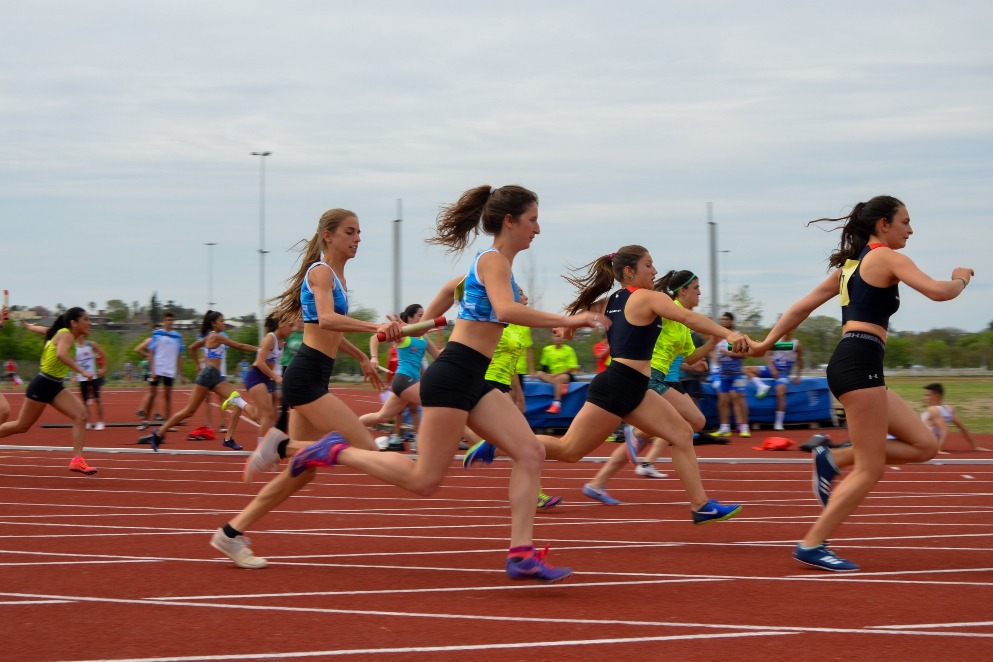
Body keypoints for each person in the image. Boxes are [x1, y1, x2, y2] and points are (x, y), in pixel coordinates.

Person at [268, 186, 602, 582]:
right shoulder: (493, 261)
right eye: (532, 220)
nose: (538, 229)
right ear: (510, 222)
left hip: (473, 374)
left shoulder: (498, 267)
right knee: (423, 480)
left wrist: (429, 322)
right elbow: (507, 310)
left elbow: (459, 295)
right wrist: (570, 320)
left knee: (530, 452)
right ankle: (330, 451)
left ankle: (521, 554)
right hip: (455, 374)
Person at [752, 195, 974, 572]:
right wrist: (961, 278)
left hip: (855, 363)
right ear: (883, 224)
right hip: (859, 364)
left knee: (924, 445)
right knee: (870, 469)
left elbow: (801, 307)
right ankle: (812, 543)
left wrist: (765, 344)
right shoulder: (886, 257)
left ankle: (833, 457)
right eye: (905, 221)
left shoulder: (852, 268)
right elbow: (939, 292)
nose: (911, 229)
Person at [466, 246, 749, 524]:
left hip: (632, 386)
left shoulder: (614, 299)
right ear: (629, 271)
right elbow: (688, 317)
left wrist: (569, 327)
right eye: (649, 265)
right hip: (619, 385)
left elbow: (589, 314)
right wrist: (728, 333)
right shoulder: (646, 298)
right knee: (569, 449)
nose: (655, 270)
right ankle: (498, 445)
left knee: (682, 433)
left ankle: (701, 505)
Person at [212, 207, 402, 569]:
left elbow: (323, 328)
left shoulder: (337, 279)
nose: (357, 238)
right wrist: (375, 326)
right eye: (350, 232)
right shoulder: (320, 273)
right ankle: (280, 443)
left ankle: (231, 533)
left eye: (359, 232)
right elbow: (328, 318)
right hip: (306, 378)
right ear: (328, 236)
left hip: (314, 374)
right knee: (365, 449)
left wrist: (361, 356)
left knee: (302, 470)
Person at [583, 269, 722, 503]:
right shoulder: (668, 310)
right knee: (695, 422)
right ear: (683, 291)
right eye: (696, 288)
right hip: (651, 376)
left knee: (653, 436)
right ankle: (638, 435)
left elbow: (689, 356)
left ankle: (598, 482)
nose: (700, 293)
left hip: (666, 378)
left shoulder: (682, 325)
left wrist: (713, 343)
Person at [138, 311, 259, 451]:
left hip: (215, 376)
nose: (224, 323)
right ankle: (158, 433)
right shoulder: (216, 337)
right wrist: (260, 349)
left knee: (237, 398)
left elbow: (192, 348)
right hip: (208, 376)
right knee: (189, 411)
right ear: (213, 323)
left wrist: (197, 364)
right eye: (221, 320)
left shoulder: (210, 337)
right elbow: (240, 346)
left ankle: (228, 439)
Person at [0, 307, 98, 474]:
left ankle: (77, 460)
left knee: (81, 416)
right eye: (86, 319)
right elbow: (61, 354)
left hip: (55, 385)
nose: (89, 323)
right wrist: (81, 371)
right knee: (21, 426)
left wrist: (30, 327)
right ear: (74, 323)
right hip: (43, 384)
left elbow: (44, 330)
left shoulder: (59, 333)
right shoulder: (66, 335)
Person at [361, 303, 442, 449]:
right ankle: (426, 443)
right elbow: (375, 338)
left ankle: (344, 433)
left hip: (410, 382)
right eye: (420, 315)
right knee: (437, 404)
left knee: (381, 416)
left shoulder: (423, 336)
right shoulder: (403, 332)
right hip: (403, 379)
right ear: (410, 318)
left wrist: (458, 349)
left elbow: (437, 355)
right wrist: (374, 357)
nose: (423, 317)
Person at [242, 313, 294, 444]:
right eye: (290, 325)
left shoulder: (282, 342)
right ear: (281, 324)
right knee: (268, 414)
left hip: (266, 379)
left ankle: (238, 402)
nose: (292, 329)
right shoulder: (270, 339)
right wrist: (276, 377)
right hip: (256, 376)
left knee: (273, 415)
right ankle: (261, 449)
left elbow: (274, 361)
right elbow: (260, 362)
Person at [712, 312, 761, 438]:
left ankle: (745, 427)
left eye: (726, 320)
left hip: (737, 373)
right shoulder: (719, 336)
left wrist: (729, 354)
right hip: (723, 373)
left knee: (739, 399)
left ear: (732, 321)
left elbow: (745, 355)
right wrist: (715, 357)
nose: (723, 322)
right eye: (722, 320)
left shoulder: (738, 337)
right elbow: (712, 350)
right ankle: (724, 427)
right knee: (722, 400)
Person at [745, 330, 802, 430]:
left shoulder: (796, 344)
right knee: (746, 369)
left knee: (780, 391)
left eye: (789, 330)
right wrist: (773, 369)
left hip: (782, 373)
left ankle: (779, 422)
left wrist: (798, 375)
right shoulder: (776, 342)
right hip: (771, 369)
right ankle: (761, 386)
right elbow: (768, 355)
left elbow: (800, 361)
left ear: (792, 330)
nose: (786, 332)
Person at [140, 313, 184, 428]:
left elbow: (179, 356)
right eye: (168, 320)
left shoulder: (177, 337)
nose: (170, 322)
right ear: (164, 321)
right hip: (158, 368)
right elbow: (151, 352)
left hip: (169, 370)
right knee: (152, 394)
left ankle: (168, 423)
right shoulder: (157, 334)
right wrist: (152, 369)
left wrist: (182, 374)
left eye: (172, 320)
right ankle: (146, 421)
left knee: (168, 397)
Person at [921, 382, 989, 454]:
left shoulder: (933, 409)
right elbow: (963, 429)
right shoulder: (948, 409)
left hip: (924, 445)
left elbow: (945, 430)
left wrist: (938, 449)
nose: (925, 398)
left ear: (936, 396)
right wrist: (974, 446)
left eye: (928, 395)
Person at [535, 329, 579, 414]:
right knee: (539, 373)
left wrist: (555, 375)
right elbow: (544, 367)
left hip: (566, 375)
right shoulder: (547, 350)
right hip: (553, 376)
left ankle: (556, 403)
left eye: (561, 336)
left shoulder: (569, 350)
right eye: (557, 336)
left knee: (560, 378)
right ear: (552, 338)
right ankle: (560, 386)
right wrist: (547, 375)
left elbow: (572, 368)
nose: (559, 338)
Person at [73, 333, 108, 430]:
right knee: (85, 401)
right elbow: (72, 362)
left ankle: (100, 422)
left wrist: (103, 368)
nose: (79, 336)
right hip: (82, 377)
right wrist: (74, 375)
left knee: (97, 399)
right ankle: (87, 421)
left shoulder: (91, 344)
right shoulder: (74, 347)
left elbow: (104, 354)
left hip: (93, 376)